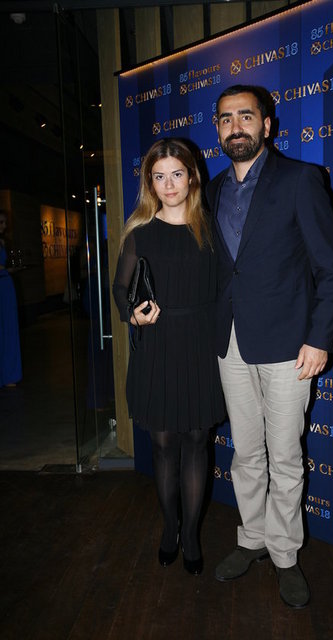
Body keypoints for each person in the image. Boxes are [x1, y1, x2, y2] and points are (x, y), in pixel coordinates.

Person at [206, 85, 333, 607]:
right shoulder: (211, 190)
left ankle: (285, 554)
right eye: (226, 119)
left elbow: (330, 267)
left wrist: (319, 338)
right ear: (217, 129)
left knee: (284, 457)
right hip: (231, 342)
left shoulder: (300, 179)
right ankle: (252, 539)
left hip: (290, 344)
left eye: (246, 116)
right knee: (246, 453)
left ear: (267, 125)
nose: (235, 127)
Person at [113, 139, 225, 576]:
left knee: (197, 441)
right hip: (157, 348)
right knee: (162, 445)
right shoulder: (140, 233)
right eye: (159, 176)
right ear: (150, 183)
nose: (169, 184)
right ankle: (169, 527)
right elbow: (120, 288)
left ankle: (191, 534)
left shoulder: (212, 229)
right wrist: (132, 314)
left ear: (192, 176)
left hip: (200, 346)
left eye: (177, 174)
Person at [0, 210, 22, 388]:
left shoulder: (3, 242)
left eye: (5, 222)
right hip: (2, 281)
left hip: (6, 284)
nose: (4, 226)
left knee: (9, 328)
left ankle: (9, 374)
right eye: (1, 222)